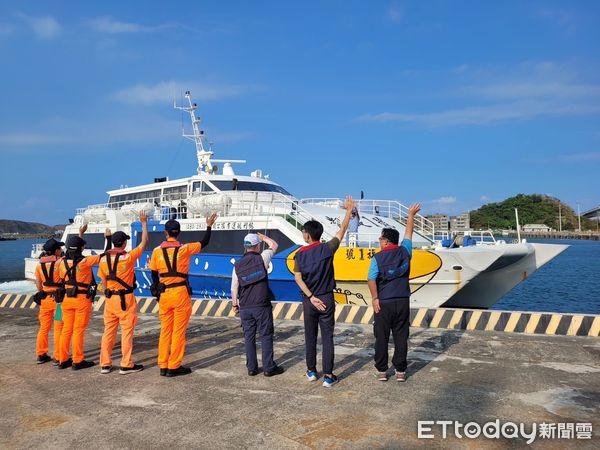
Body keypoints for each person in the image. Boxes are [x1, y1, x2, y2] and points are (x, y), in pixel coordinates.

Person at [294, 196, 355, 387]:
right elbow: (342, 230)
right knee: (327, 338)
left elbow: (298, 278)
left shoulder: (300, 255)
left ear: (307, 235)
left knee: (310, 336)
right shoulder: (328, 249)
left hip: (309, 301)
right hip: (327, 298)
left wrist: (311, 297)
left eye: (304, 232)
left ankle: (311, 371)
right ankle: (328, 376)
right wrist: (348, 211)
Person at [149, 213, 217, 377]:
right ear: (178, 233)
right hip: (180, 293)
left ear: (166, 233)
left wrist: (158, 292)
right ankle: (174, 366)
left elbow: (153, 274)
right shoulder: (185, 249)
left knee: (165, 330)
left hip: (164, 293)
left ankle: (163, 365)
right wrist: (209, 225)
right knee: (178, 331)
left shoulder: (157, 251)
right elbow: (204, 242)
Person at [367, 203, 421, 382]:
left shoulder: (377, 258)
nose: (379, 241)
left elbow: (371, 279)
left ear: (386, 241)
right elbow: (409, 233)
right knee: (401, 335)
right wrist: (411, 215)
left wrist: (375, 298)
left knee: (381, 337)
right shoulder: (405, 251)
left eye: (381, 238)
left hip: (384, 302)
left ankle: (382, 371)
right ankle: (400, 371)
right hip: (402, 301)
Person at [98, 212, 148, 375]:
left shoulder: (104, 259)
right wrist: (144, 223)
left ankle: (105, 364)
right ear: (125, 243)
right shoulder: (128, 257)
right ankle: (126, 364)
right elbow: (144, 243)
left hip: (110, 299)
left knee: (108, 332)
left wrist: (106, 292)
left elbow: (103, 278)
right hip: (125, 299)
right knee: (127, 332)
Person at [57, 225, 111, 370]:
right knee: (78, 330)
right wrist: (108, 238)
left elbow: (75, 250)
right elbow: (105, 254)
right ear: (81, 249)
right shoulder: (85, 262)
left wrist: (80, 234)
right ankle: (77, 360)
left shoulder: (61, 262)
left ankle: (62, 359)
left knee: (66, 329)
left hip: (67, 300)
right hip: (82, 300)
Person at [231, 233, 284, 377]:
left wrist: (235, 305)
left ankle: (252, 368)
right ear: (257, 246)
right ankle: (268, 368)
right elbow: (274, 245)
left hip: (245, 308)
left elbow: (234, 287)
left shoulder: (237, 265)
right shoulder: (263, 257)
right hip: (261, 305)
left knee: (249, 337)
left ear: (245, 246)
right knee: (266, 335)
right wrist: (264, 237)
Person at [33, 238, 65, 365]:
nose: (61, 250)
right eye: (60, 248)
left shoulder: (39, 265)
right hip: (58, 302)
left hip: (45, 300)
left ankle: (41, 354)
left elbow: (38, 284)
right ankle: (57, 356)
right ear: (56, 251)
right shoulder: (60, 263)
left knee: (44, 328)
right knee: (58, 328)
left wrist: (43, 291)